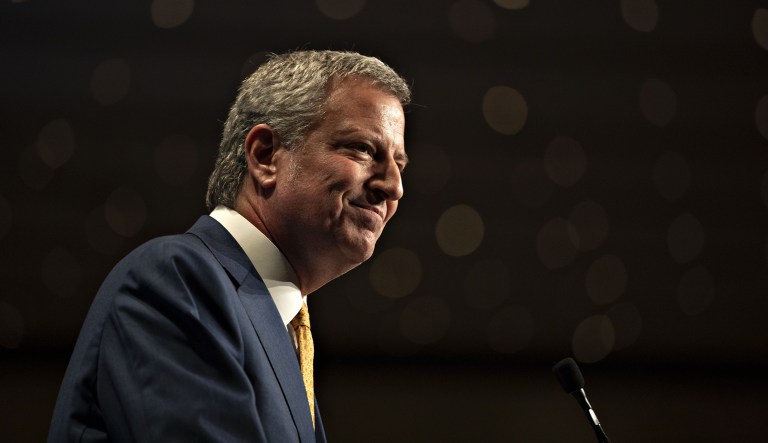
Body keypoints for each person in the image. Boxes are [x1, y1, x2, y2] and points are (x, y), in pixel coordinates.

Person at [47, 50, 411, 442]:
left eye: (399, 164)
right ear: (265, 156)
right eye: (363, 149)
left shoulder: (281, 329)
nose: (393, 186)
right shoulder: (176, 279)